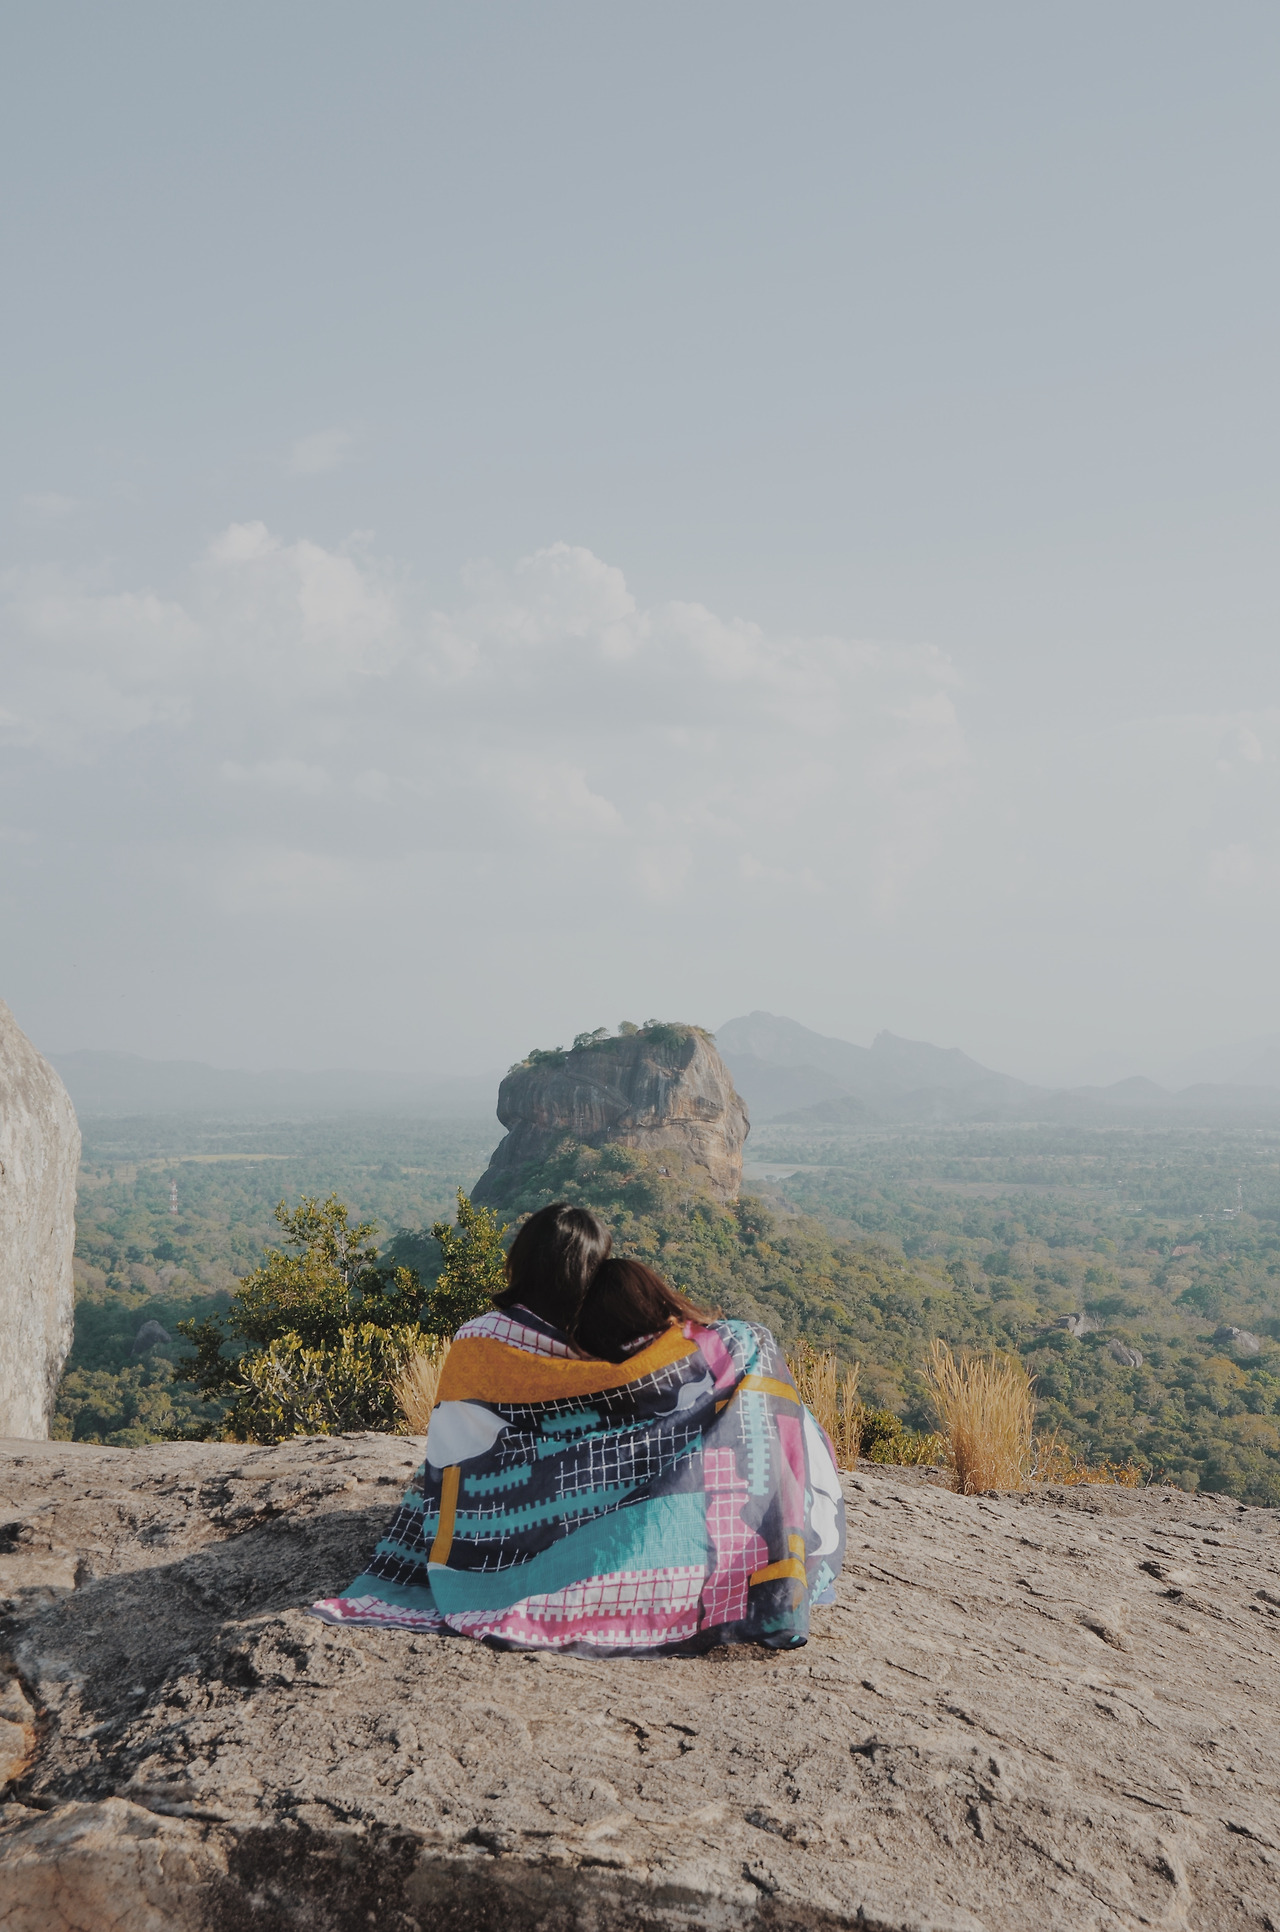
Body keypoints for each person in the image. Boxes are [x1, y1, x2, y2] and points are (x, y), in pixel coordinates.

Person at [312, 1201, 846, 1654]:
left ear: (521, 1261)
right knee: (752, 1347)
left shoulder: (478, 1341)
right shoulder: (605, 1334)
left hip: (500, 1522)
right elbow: (653, 1390)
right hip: (615, 1488)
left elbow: (456, 1450)